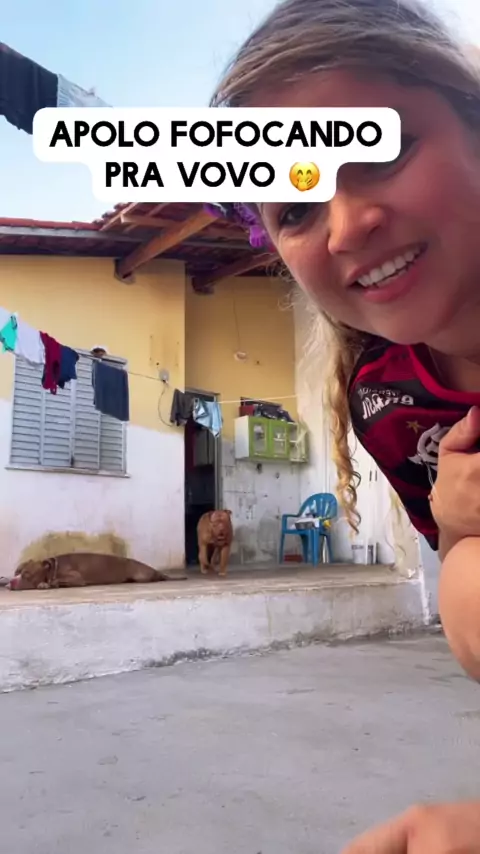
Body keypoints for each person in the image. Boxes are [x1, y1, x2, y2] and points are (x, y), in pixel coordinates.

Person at [209, 0, 480, 850]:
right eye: (294, 209)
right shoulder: (390, 400)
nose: (348, 222)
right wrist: (459, 526)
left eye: (382, 151)